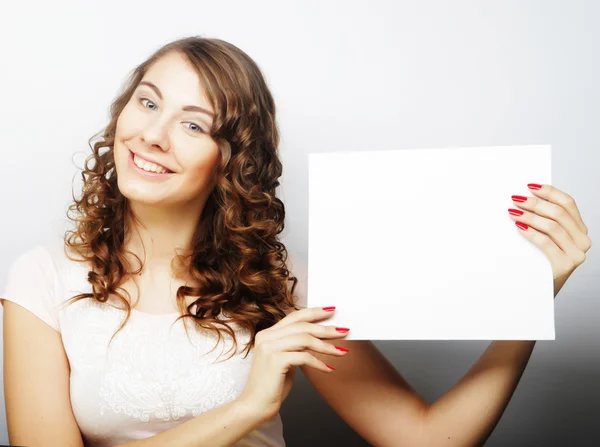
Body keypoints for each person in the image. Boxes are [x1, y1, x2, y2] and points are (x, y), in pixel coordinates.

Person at [1, 36, 592, 447]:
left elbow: (425, 435)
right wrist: (247, 408)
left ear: (230, 161)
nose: (153, 135)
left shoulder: (283, 289)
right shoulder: (41, 280)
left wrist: (528, 302)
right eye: (148, 101)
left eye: (194, 123)